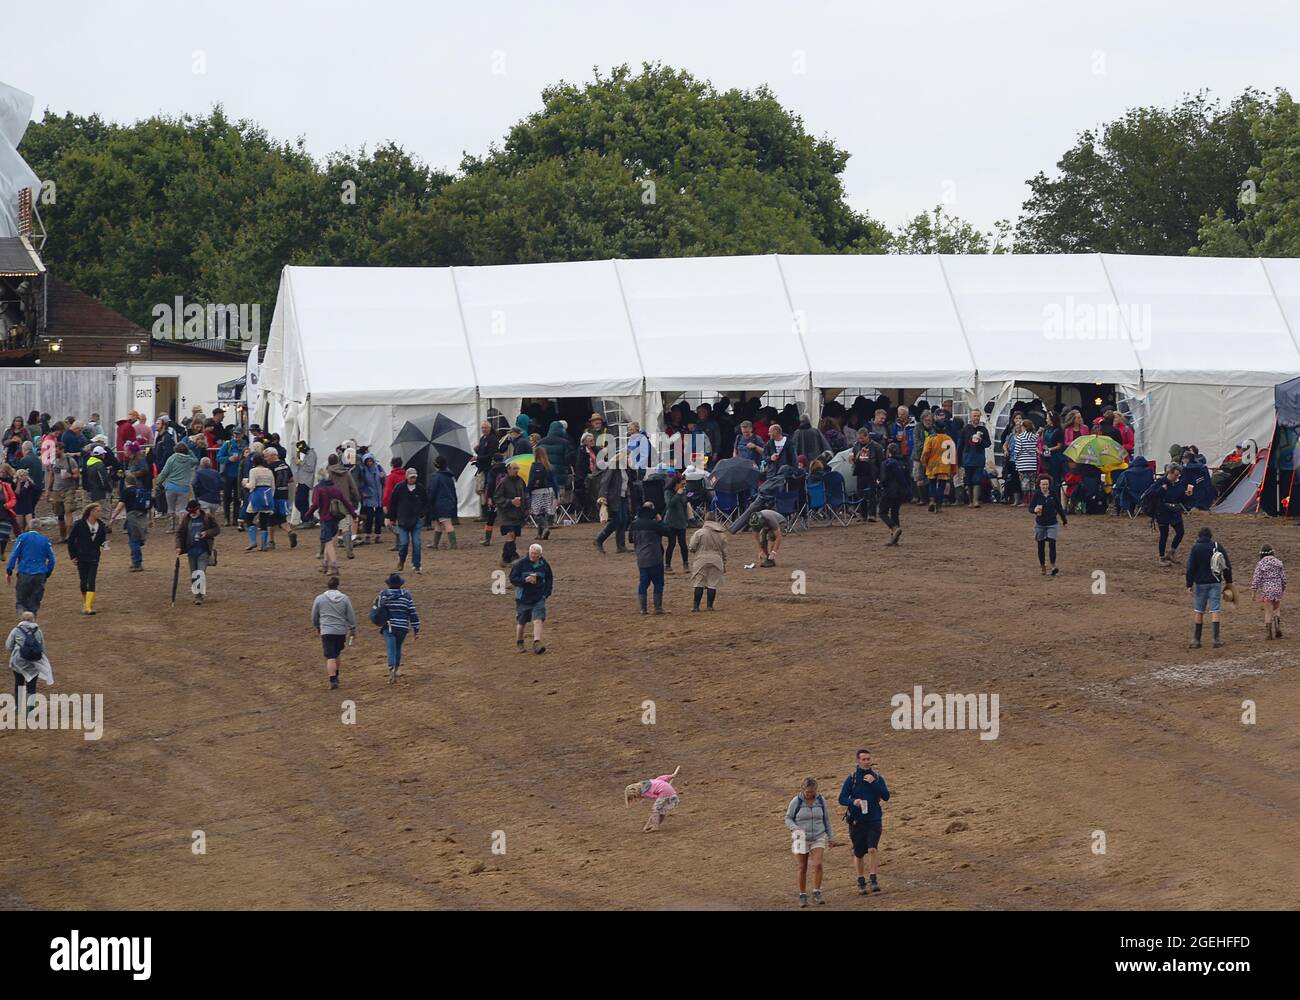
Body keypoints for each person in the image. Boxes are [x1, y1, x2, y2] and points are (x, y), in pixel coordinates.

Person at [838, 749, 890, 896]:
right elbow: (841, 798)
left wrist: (874, 783)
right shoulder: (852, 778)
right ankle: (861, 881)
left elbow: (886, 796)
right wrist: (854, 801)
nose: (867, 761)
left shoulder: (878, 778)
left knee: (873, 849)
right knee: (859, 853)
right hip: (857, 822)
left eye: (868, 759)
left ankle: (873, 879)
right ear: (858, 761)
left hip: (874, 819)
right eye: (864, 759)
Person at [785, 777, 834, 907]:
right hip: (800, 838)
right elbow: (788, 818)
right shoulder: (796, 801)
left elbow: (826, 819)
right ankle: (802, 894)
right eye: (807, 792)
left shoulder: (821, 801)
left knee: (818, 864)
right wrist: (795, 828)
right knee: (802, 867)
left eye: (812, 792)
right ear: (803, 790)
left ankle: (817, 892)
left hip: (818, 836)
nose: (810, 794)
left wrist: (831, 836)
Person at [305, 469, 358, 577]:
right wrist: (353, 514)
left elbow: (315, 504)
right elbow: (346, 502)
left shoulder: (318, 489)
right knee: (328, 540)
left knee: (328, 543)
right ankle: (325, 564)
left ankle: (333, 565)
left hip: (325, 518)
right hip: (336, 518)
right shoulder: (335, 488)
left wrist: (307, 515)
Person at [1186, 526, 1232, 649]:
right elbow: (1226, 564)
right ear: (1210, 536)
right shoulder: (1217, 546)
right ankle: (1216, 639)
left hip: (1200, 583)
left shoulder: (1195, 548)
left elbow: (1190, 568)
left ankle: (1196, 640)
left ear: (1199, 536)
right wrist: (1229, 581)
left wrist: (1189, 584)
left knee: (1199, 610)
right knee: (1215, 609)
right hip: (1215, 581)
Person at [373, 572, 419, 684]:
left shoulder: (383, 594)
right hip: (403, 627)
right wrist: (416, 628)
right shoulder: (407, 595)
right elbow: (412, 612)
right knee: (398, 647)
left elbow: (376, 609)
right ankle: (396, 668)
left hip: (389, 626)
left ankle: (391, 669)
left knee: (391, 648)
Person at [312, 575, 357, 689]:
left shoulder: (320, 598)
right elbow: (350, 615)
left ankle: (333, 679)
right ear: (338, 586)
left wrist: (317, 626)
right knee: (336, 654)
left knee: (330, 656)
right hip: (340, 631)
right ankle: (336, 674)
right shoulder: (345, 598)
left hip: (326, 630)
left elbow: (314, 615)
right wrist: (352, 628)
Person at [509, 542, 553, 654]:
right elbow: (513, 579)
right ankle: (520, 642)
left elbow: (549, 579)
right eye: (532, 553)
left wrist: (546, 594)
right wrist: (525, 580)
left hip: (539, 597)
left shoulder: (544, 564)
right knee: (521, 623)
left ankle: (537, 642)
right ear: (529, 552)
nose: (533, 556)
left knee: (538, 619)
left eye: (536, 554)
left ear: (540, 555)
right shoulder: (520, 564)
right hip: (523, 598)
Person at [630, 501, 673, 614]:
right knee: (658, 583)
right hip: (655, 558)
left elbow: (630, 539)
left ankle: (643, 609)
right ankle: (658, 608)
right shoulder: (654, 525)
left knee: (643, 583)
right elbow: (668, 532)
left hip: (641, 559)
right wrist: (660, 521)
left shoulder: (634, 524)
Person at [175, 499, 221, 605]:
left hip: (203, 550)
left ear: (199, 509)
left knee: (200, 573)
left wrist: (207, 533)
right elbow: (179, 533)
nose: (193, 514)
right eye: (191, 512)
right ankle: (197, 594)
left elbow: (217, 529)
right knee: (194, 574)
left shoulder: (207, 518)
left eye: (194, 511)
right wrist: (178, 546)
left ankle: (199, 596)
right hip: (191, 551)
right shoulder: (186, 519)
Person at [7, 611, 52, 717]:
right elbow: (42, 648)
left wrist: (16, 651)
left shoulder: (16, 630)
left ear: (22, 619)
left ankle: (18, 708)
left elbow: (8, 646)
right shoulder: (38, 631)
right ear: (33, 619)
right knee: (31, 687)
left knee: (19, 684)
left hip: (18, 662)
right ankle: (30, 710)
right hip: (33, 663)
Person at [67, 502, 108, 616]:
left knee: (91, 580)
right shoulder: (79, 524)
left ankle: (88, 606)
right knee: (83, 582)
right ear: (92, 512)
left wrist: (105, 545)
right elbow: (71, 541)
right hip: (81, 557)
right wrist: (73, 556)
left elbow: (102, 540)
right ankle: (86, 603)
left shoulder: (101, 525)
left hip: (94, 557)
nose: (100, 513)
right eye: (98, 511)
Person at [387, 467, 428, 574]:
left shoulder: (420, 488)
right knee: (404, 543)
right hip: (402, 520)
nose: (413, 479)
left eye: (414, 477)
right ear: (407, 477)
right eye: (411, 477)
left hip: (416, 520)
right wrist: (392, 518)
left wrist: (422, 514)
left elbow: (426, 503)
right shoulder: (399, 488)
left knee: (417, 543)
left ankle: (417, 565)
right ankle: (402, 560)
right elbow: (393, 503)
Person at [6, 528, 55, 615]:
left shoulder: (22, 538)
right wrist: (48, 572)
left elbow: (14, 554)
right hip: (40, 574)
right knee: (34, 603)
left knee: (21, 601)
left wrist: (9, 570)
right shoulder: (45, 540)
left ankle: (23, 623)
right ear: (39, 528)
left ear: (28, 527)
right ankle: (32, 624)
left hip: (25, 573)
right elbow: (52, 559)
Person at [110, 472, 153, 571]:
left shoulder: (126, 491)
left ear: (126, 482)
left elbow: (120, 507)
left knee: (133, 540)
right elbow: (150, 507)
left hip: (132, 516)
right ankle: (135, 561)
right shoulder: (142, 491)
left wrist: (112, 518)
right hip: (143, 516)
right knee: (137, 539)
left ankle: (137, 563)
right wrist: (151, 519)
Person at [1150, 464, 1189, 566]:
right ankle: (1161, 558)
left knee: (1180, 532)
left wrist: (1187, 495)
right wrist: (1162, 489)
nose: (1177, 477)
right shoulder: (1160, 482)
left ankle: (1171, 552)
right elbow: (1152, 494)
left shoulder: (1178, 484)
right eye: (1176, 475)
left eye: (1178, 475)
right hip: (1162, 512)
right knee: (1164, 535)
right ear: (1170, 473)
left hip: (1175, 512)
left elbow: (1181, 499)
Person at [687, 511, 727, 611]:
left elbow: (692, 547)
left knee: (699, 582)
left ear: (705, 520)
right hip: (716, 559)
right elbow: (724, 551)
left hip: (701, 559)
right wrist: (724, 563)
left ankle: (696, 606)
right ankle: (709, 606)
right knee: (712, 584)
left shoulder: (699, 533)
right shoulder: (721, 535)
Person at [1028, 475, 1067, 576]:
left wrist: (1064, 520)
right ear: (1039, 485)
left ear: (1049, 485)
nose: (1045, 486)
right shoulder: (1036, 495)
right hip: (1040, 524)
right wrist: (1034, 510)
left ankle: (1053, 566)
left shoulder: (1053, 494)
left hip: (1052, 523)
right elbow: (1030, 508)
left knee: (1052, 543)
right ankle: (1042, 566)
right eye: (1043, 484)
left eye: (1047, 484)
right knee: (1040, 546)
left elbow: (1059, 507)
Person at [624, 765, 681, 833]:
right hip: (671, 791)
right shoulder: (649, 782)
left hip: (663, 793)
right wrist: (671, 776)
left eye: (635, 797)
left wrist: (659, 801)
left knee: (655, 809)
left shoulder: (644, 792)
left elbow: (654, 797)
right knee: (662, 810)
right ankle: (656, 824)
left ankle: (655, 826)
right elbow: (661, 778)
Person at [157, 441, 199, 529]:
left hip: (171, 486)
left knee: (171, 507)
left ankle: (171, 526)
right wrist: (190, 451)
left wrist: (159, 481)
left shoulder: (172, 458)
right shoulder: (189, 460)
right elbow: (196, 460)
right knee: (183, 508)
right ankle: (182, 526)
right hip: (184, 487)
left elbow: (164, 472)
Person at [492, 460, 526, 568]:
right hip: (506, 514)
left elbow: (524, 496)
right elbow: (497, 498)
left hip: (517, 514)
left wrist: (525, 508)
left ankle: (505, 558)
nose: (516, 471)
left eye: (517, 469)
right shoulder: (503, 482)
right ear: (508, 470)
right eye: (514, 469)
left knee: (514, 536)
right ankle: (513, 557)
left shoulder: (520, 481)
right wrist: (510, 502)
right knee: (510, 534)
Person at [592, 459, 629, 554]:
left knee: (623, 520)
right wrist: (602, 496)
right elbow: (605, 482)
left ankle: (621, 546)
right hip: (614, 497)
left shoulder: (625, 468)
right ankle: (599, 539)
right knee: (616, 520)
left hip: (623, 496)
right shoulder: (613, 467)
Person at [1252, 544, 1286, 641]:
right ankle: (1278, 627)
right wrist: (1283, 589)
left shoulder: (1260, 564)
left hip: (1267, 590)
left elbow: (1256, 579)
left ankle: (1269, 633)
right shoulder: (1279, 563)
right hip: (1278, 589)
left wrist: (1253, 592)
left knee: (1268, 611)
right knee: (1277, 608)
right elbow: (1283, 578)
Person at [960, 409, 991, 507]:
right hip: (967, 459)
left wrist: (981, 441)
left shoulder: (983, 430)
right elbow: (960, 445)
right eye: (974, 416)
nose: (976, 418)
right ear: (970, 417)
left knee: (977, 480)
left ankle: (976, 500)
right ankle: (970, 501)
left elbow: (988, 444)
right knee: (969, 481)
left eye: (978, 416)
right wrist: (959, 459)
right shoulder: (965, 429)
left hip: (979, 458)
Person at [662, 475, 690, 574]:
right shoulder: (668, 492)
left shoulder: (683, 492)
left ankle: (686, 563)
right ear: (676, 483)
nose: (684, 486)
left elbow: (684, 505)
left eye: (684, 484)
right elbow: (669, 504)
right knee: (671, 544)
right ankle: (667, 565)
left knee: (683, 544)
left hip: (681, 521)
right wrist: (678, 494)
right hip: (671, 522)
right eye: (682, 484)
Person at [292, 441, 318, 526]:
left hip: (306, 481)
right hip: (301, 481)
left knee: (301, 501)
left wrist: (300, 462)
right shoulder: (307, 454)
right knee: (301, 502)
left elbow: (310, 468)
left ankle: (306, 520)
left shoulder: (311, 454)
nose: (301, 452)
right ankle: (309, 517)